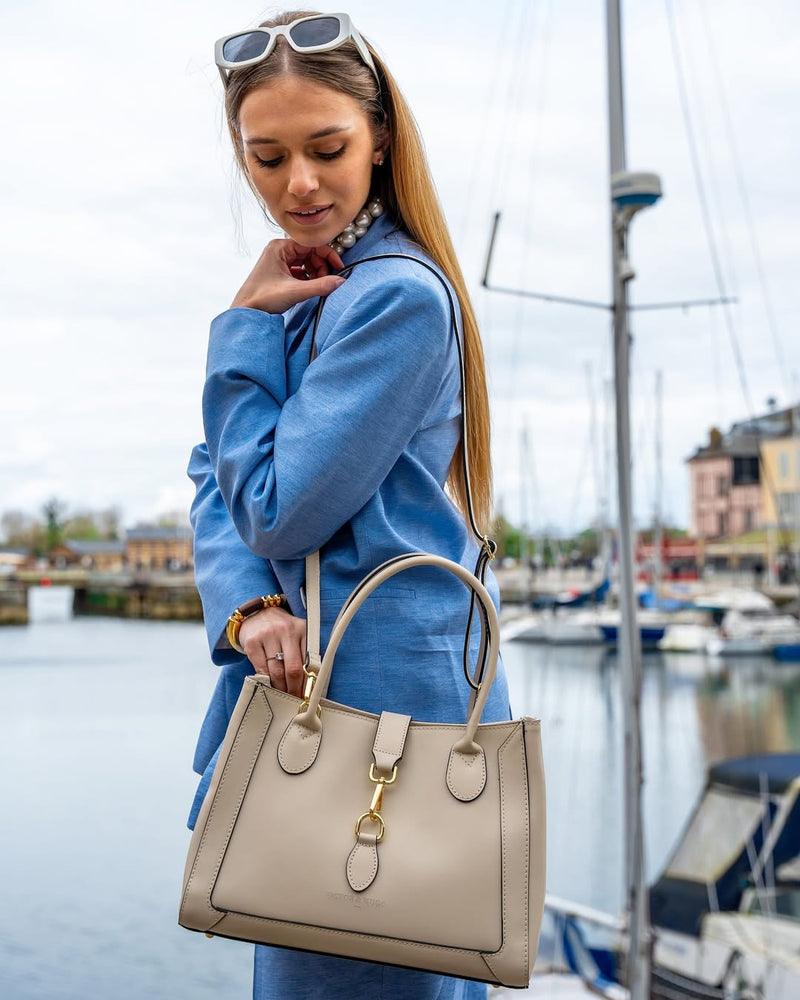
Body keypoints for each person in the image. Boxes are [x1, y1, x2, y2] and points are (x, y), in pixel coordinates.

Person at [187, 11, 512, 1000]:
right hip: (322, 705)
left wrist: (237, 328)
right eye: (266, 156)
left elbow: (276, 508)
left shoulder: (393, 298)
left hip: (380, 730)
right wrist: (250, 607)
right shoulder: (322, 291)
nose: (297, 184)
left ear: (380, 137)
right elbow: (214, 471)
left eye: (326, 149)